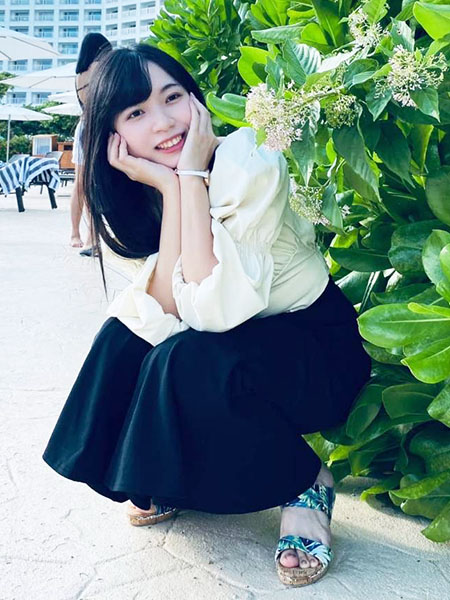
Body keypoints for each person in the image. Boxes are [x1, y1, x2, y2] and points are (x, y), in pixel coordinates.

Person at [43, 44, 371, 587]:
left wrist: (191, 175)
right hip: (239, 351)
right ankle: (169, 477)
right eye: (137, 112)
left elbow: (214, 312)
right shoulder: (156, 182)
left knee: (186, 360)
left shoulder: (249, 162)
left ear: (195, 99)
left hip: (314, 354)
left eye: (172, 97)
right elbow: (165, 311)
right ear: (114, 135)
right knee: (124, 339)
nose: (164, 122)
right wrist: (173, 188)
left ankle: (304, 479)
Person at [70, 33, 111, 254]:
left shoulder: (79, 75)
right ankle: (91, 238)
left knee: (80, 183)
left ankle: (76, 234)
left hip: (83, 125)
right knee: (94, 183)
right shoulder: (100, 67)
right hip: (96, 127)